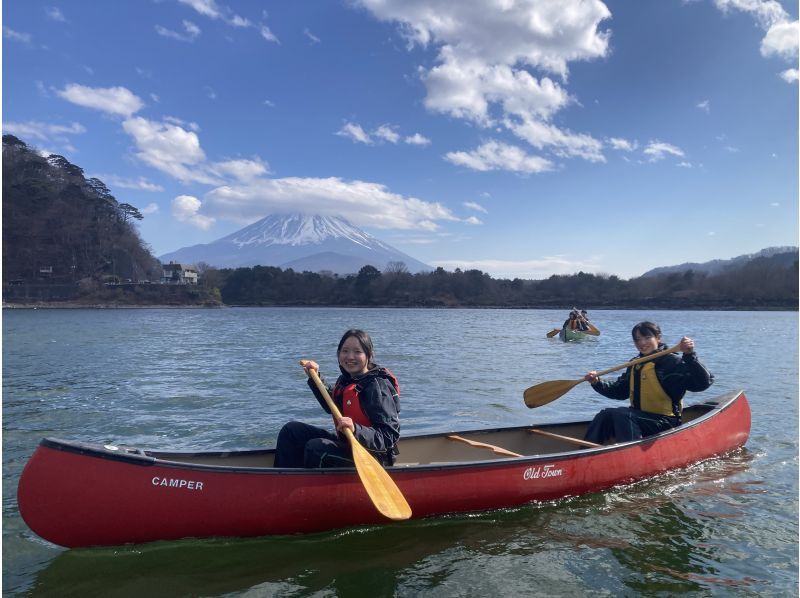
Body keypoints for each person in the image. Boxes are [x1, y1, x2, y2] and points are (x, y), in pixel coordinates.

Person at [273, 329, 401, 468]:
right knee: (291, 431)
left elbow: (389, 436)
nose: (350, 356)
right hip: (349, 446)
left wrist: (356, 429)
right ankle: (283, 482)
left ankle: (309, 489)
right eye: (345, 351)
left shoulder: (377, 387)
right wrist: (316, 378)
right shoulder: (346, 380)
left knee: (316, 448)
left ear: (368, 355)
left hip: (374, 458)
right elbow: (332, 406)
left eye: (357, 352)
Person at [582, 321, 714, 444]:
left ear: (658, 338)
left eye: (647, 337)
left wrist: (690, 356)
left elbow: (703, 383)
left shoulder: (671, 363)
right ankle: (586, 454)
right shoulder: (635, 364)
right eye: (637, 339)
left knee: (623, 414)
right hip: (638, 419)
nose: (642, 343)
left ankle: (630, 454)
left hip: (665, 421)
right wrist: (597, 382)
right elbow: (620, 391)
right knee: (605, 414)